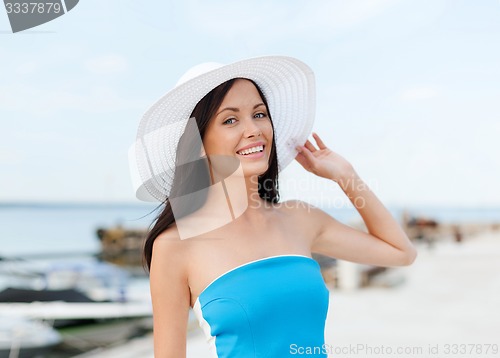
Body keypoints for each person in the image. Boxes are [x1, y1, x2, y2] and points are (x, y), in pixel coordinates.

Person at [129, 56, 417, 358]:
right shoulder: (175, 246)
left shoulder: (299, 219)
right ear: (198, 144)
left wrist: (347, 178)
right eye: (230, 120)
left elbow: (401, 252)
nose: (253, 129)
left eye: (259, 114)